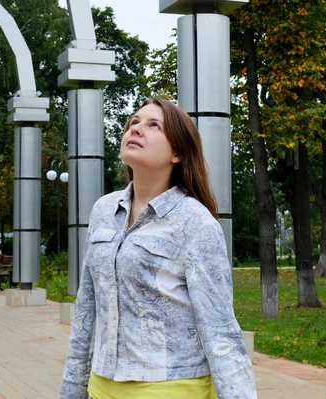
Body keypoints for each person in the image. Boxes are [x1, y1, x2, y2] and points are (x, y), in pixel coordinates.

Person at [60, 97, 257, 399]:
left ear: (177, 152)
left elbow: (221, 331)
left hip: (171, 389)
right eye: (134, 122)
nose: (136, 129)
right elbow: (86, 311)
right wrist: (72, 389)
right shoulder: (103, 210)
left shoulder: (195, 223)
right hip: (100, 387)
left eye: (154, 125)